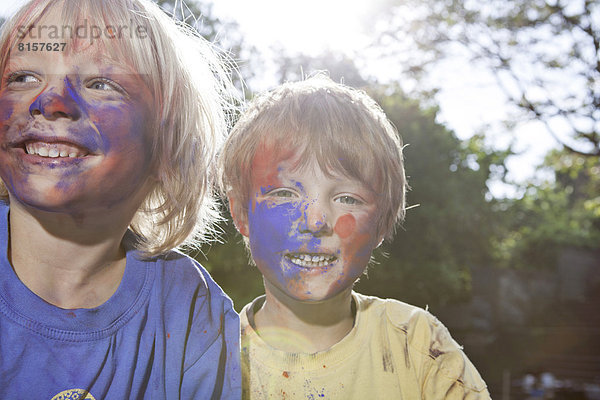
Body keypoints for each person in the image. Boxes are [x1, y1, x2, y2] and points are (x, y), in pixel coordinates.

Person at [0, 0, 240, 398]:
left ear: (166, 147)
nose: (50, 102)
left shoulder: (187, 308)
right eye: (23, 77)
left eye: (100, 83)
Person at [220, 74, 490, 399]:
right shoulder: (209, 362)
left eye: (347, 198)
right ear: (240, 213)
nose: (316, 220)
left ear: (381, 222)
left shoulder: (420, 346)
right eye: (284, 193)